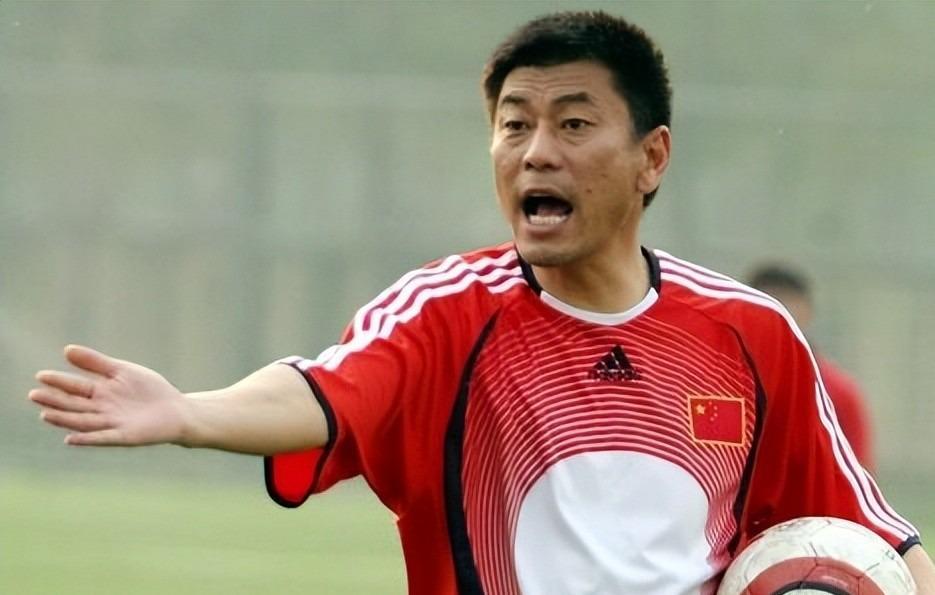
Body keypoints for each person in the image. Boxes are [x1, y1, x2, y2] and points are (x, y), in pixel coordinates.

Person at [28, 11, 935, 595]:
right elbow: (323, 392)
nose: (536, 151)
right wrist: (189, 412)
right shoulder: (446, 313)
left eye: (572, 123)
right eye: (513, 125)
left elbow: (874, 538)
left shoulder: (747, 332)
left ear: (651, 157)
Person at [748, 263, 876, 471]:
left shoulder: (838, 391)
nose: (778, 314)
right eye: (768, 302)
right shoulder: (724, 382)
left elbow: (859, 472)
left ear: (808, 311)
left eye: (787, 303)